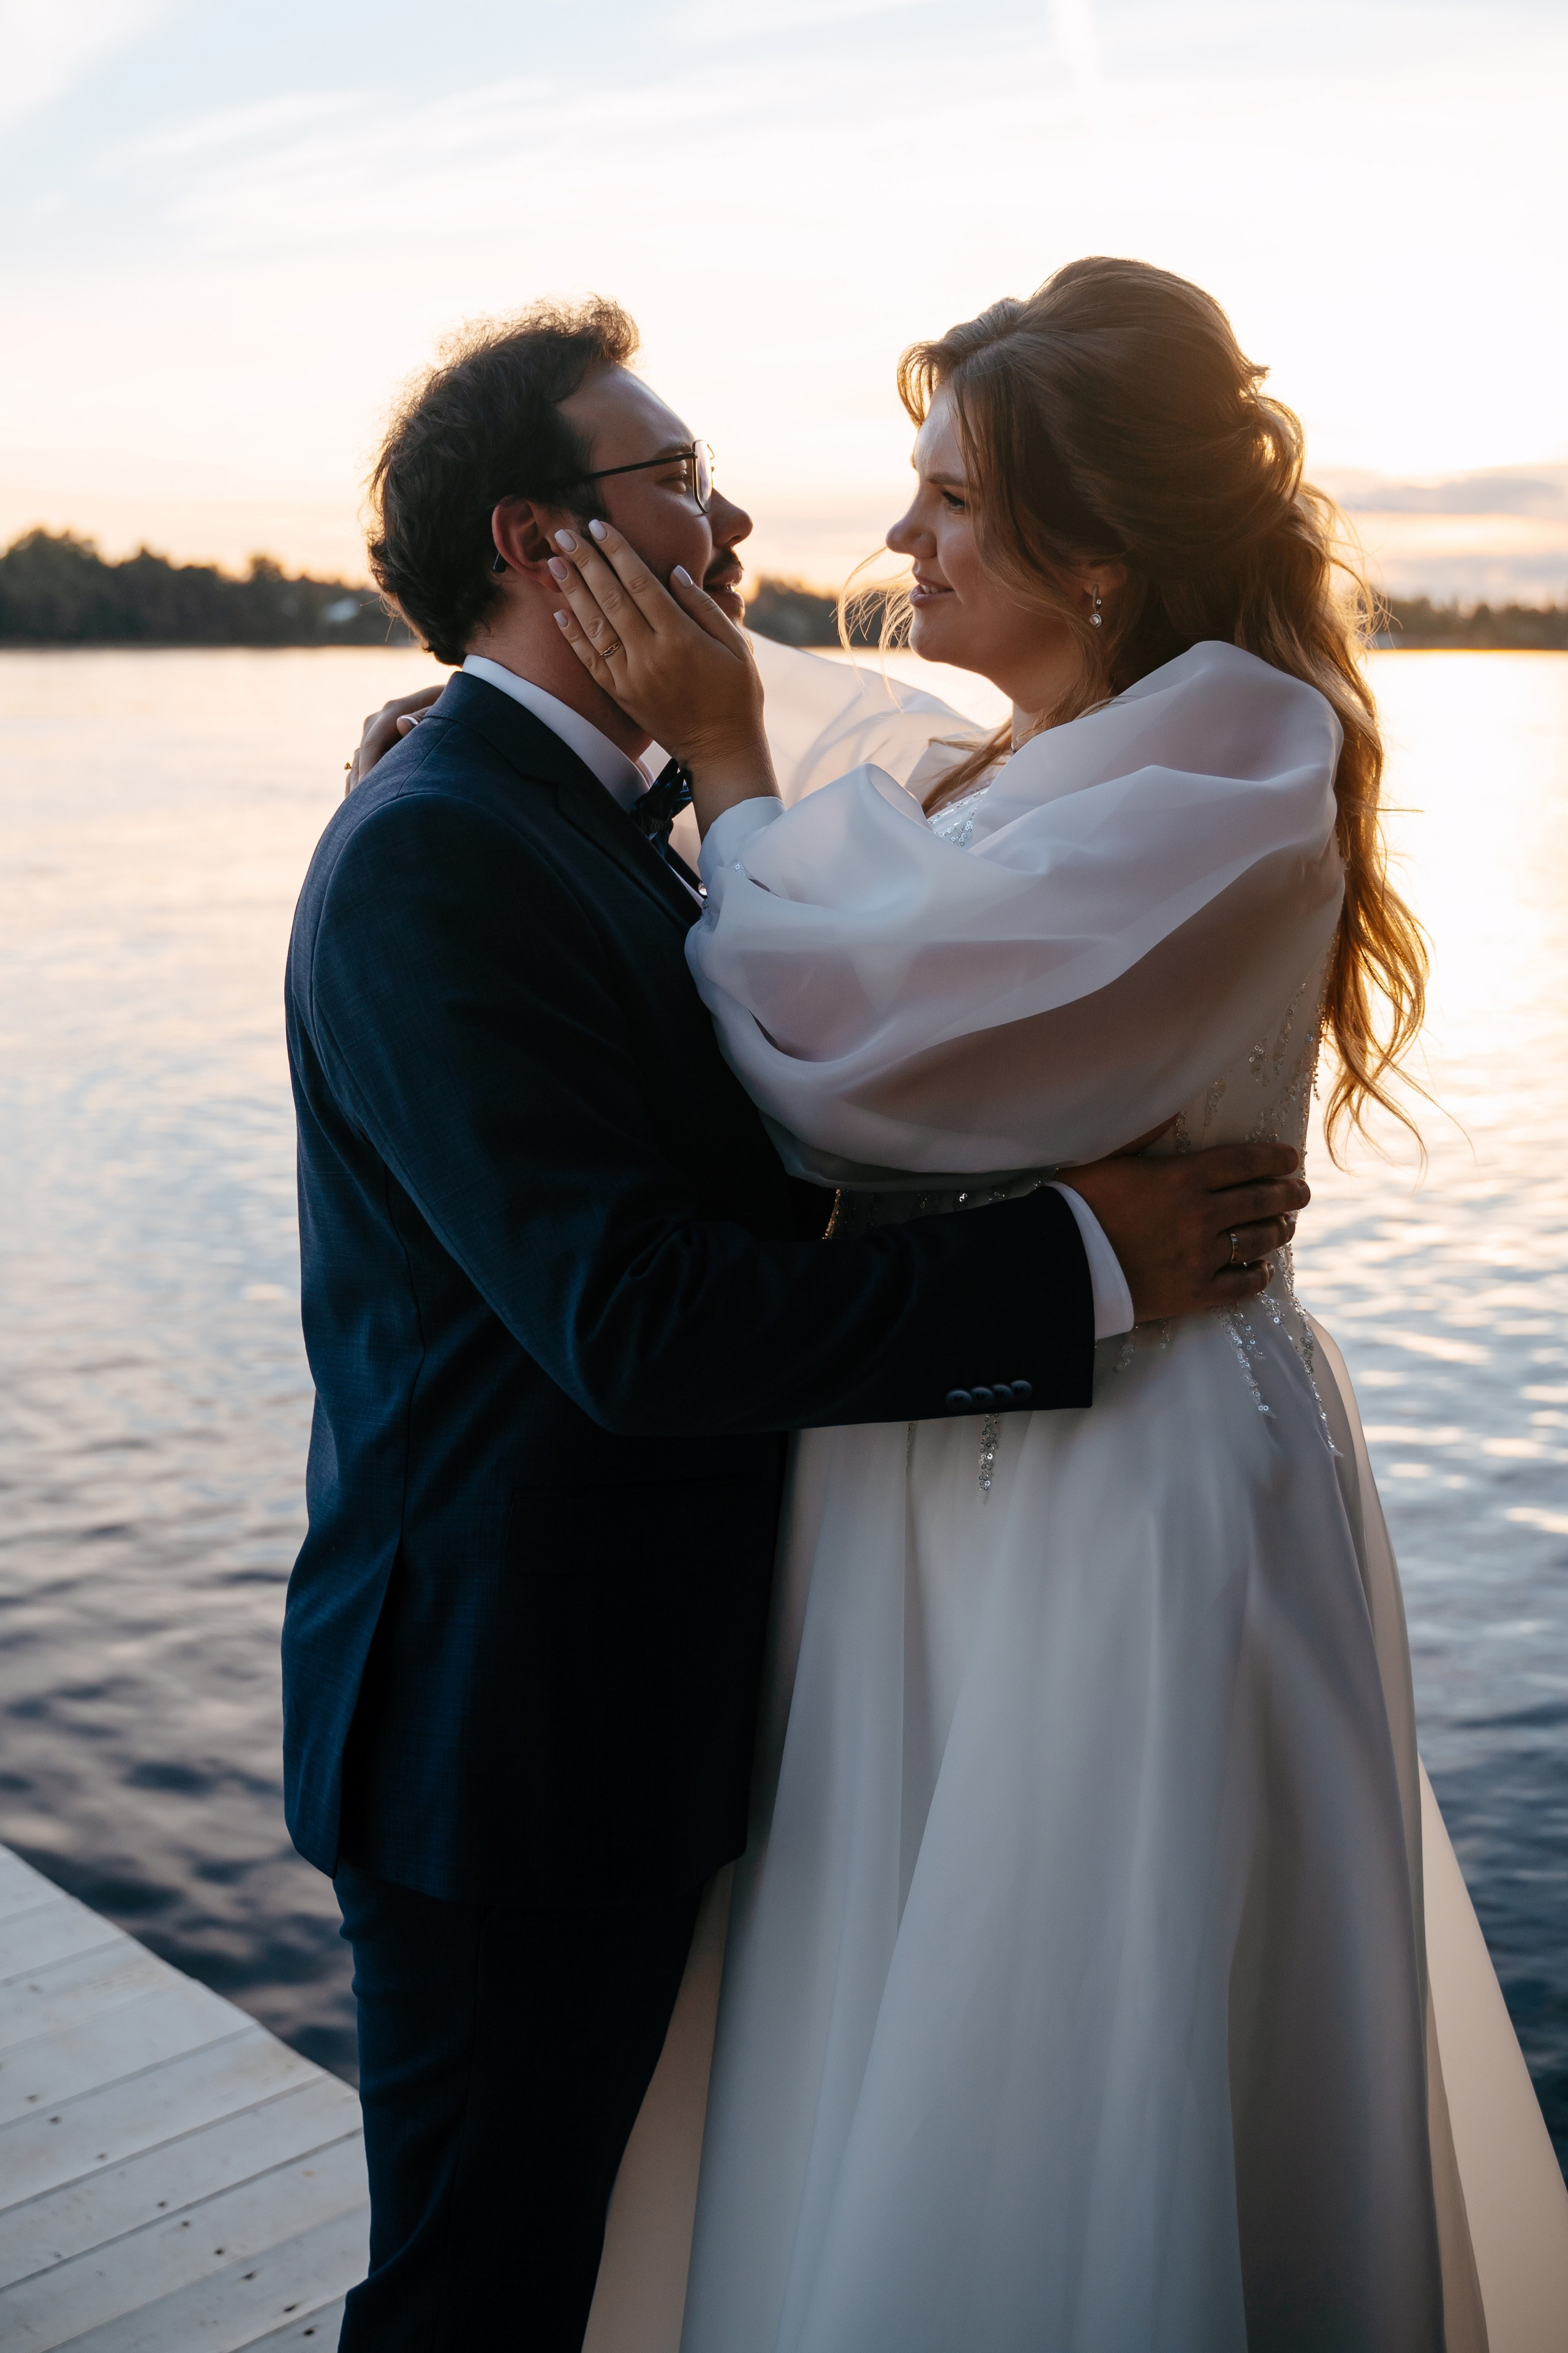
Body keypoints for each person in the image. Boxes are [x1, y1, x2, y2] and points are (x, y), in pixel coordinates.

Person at [547, 259, 1568, 2350]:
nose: (896, 544)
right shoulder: (1031, 750)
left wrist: (726, 755)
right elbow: (832, 856)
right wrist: (575, 759)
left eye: (948, 504)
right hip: (955, 1457)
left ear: (1095, 549)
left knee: (1082, 2043)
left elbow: (858, 1032)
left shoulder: (1237, 746)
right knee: (912, 2006)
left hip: (1125, 1472)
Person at [284, 296, 1307, 2352]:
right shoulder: (441, 858)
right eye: (676, 480)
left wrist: (650, 769)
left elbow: (834, 862)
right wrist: (1083, 1256)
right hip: (513, 1736)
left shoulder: (589, 815)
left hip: (668, 1696)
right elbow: (636, 1322)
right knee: (476, 2294)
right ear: (536, 539)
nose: (740, 516)